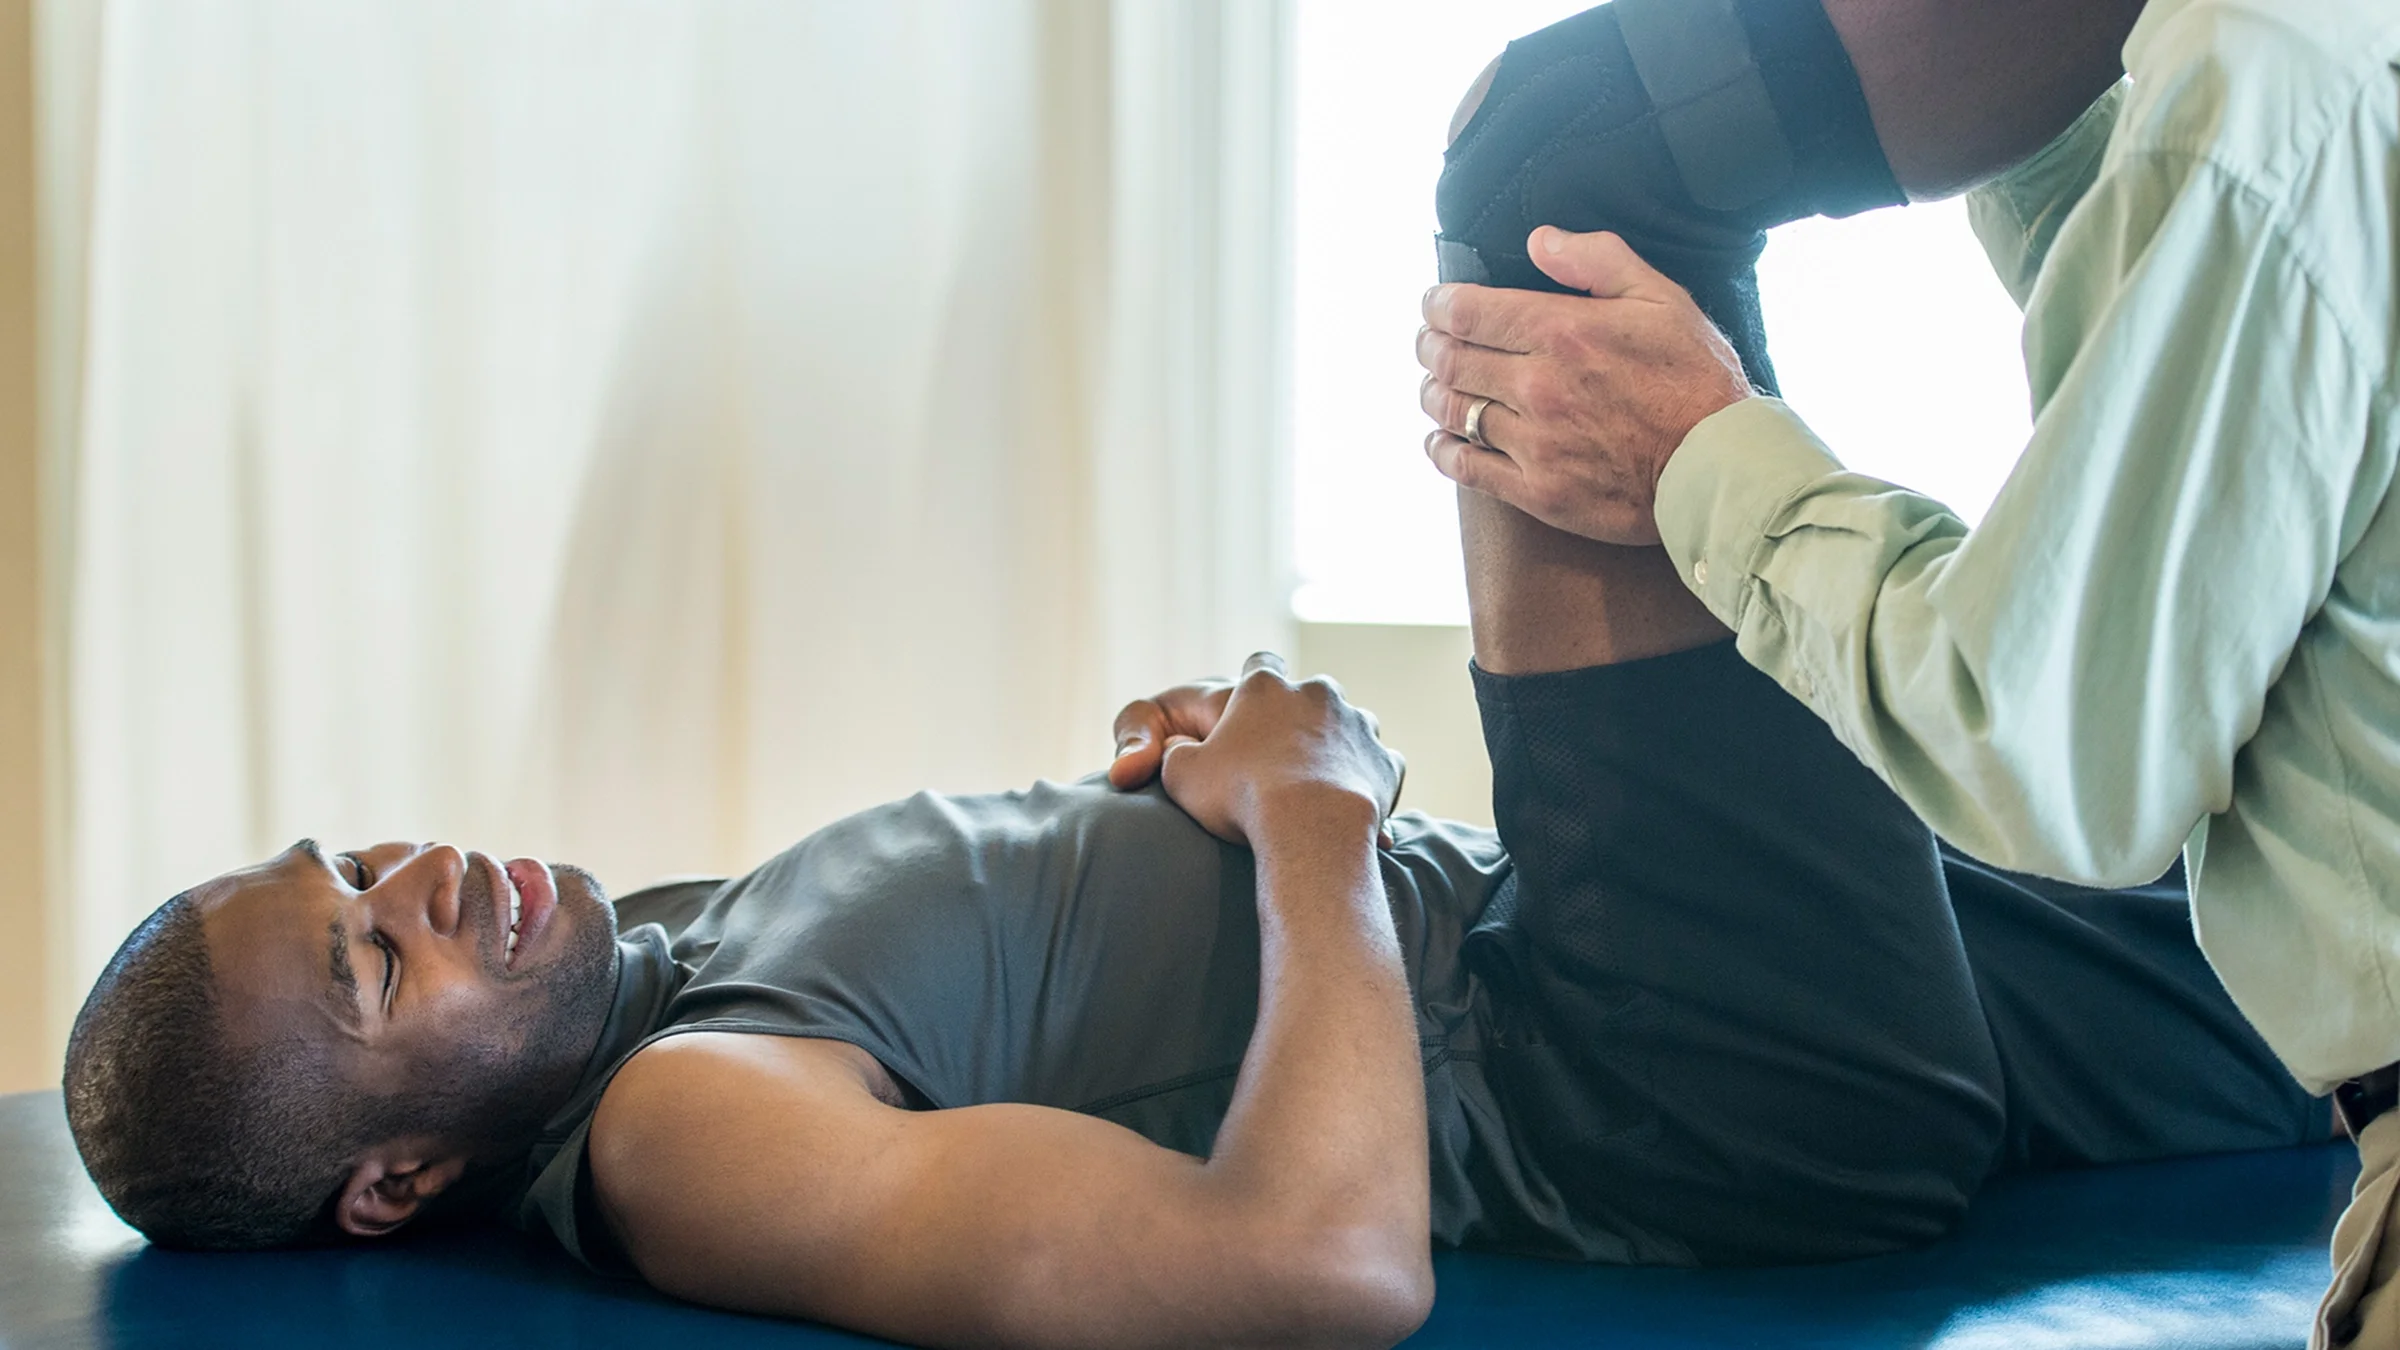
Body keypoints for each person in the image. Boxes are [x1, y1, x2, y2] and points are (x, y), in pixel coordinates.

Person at [64, 447, 2322, 1348]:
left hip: (1594, 945)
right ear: (393, 1186)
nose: (427, 876)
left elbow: (1052, 1017)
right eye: (378, 953)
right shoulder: (673, 1129)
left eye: (357, 861)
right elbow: (1313, 1266)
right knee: (1557, 257)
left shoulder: (659, 958)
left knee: (2300, 935)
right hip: (1661, 1062)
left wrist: (1167, 810)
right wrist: (1315, 812)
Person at [1410, 0, 2398, 1343]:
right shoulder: (2305, 84)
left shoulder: (2276, 83)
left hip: (1879, 1071)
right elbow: (2239, 376)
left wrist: (1702, 458)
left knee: (1545, 141)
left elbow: (2048, 746)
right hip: (2285, 1031)